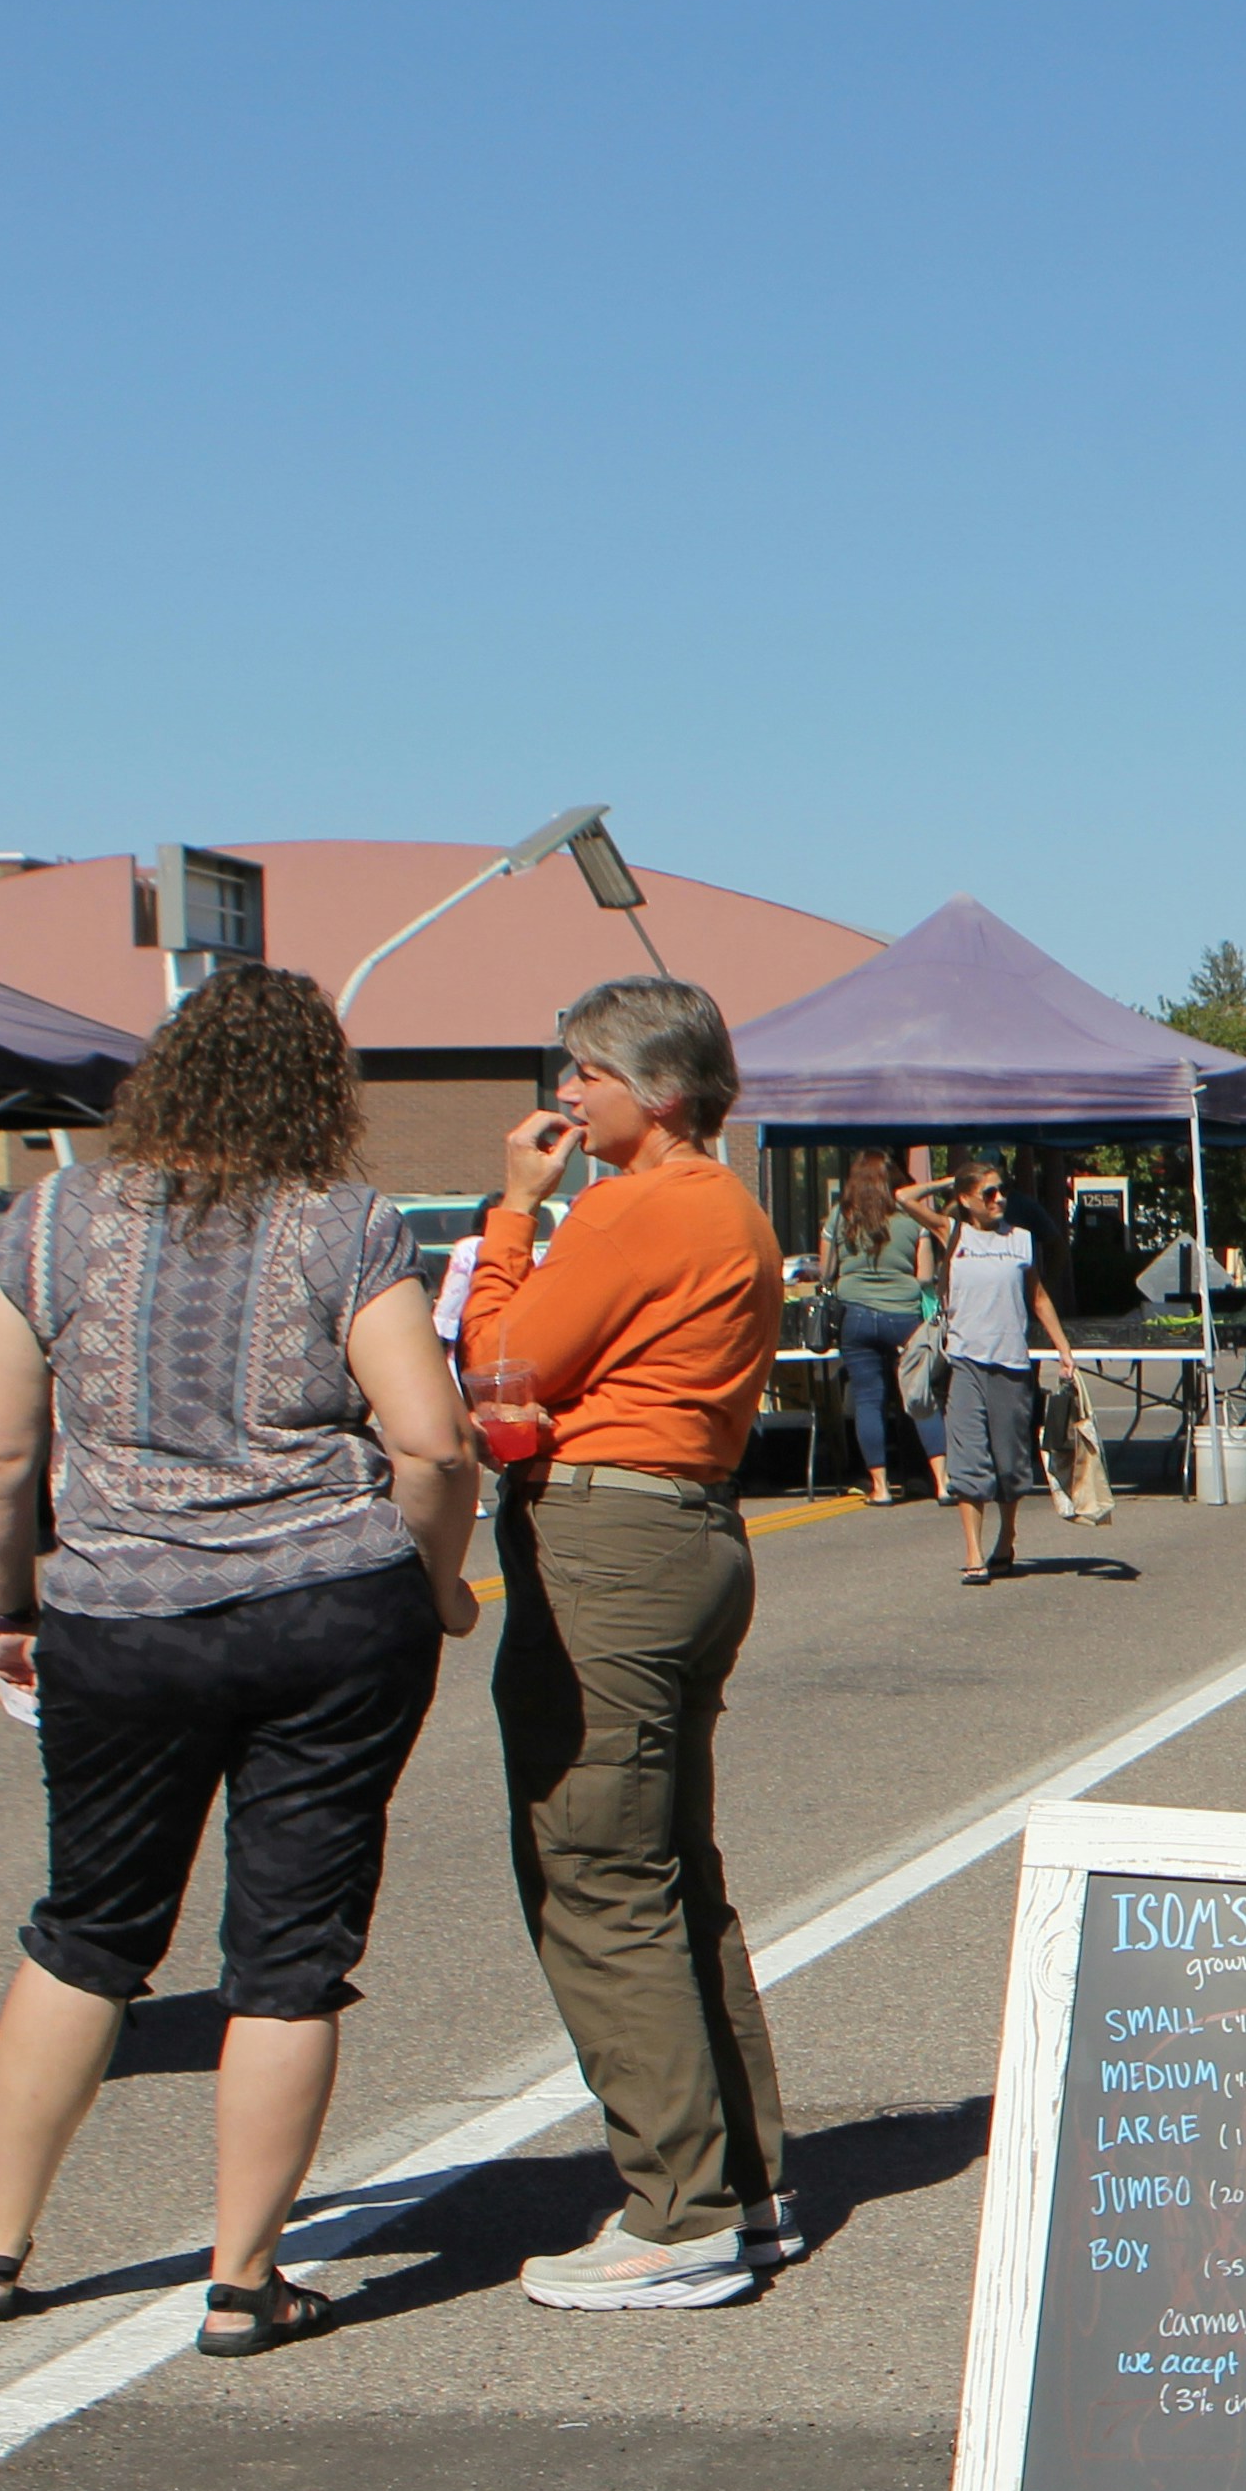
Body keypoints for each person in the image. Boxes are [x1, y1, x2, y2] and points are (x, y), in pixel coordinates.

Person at [0, 969, 485, 2353]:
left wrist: (8, 1606)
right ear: (317, 1090)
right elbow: (431, 1442)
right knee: (288, 1950)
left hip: (118, 1618)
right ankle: (246, 2280)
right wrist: (435, 1583)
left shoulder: (51, 1219)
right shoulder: (346, 1227)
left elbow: (0, 1452)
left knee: (86, 1931)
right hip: (323, 1611)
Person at [466, 979, 799, 2311]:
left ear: (659, 1091)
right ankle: (743, 2179)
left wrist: (509, 1219)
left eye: (586, 1073)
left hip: (611, 1538)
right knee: (669, 1859)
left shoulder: (637, 1205)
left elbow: (503, 1362)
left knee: (595, 1866)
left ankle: (677, 2210)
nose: (566, 1095)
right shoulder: (729, 1208)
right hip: (694, 1529)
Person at [903, 1158, 1075, 1585]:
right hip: (964, 1362)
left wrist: (1062, 1348)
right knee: (967, 1458)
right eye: (988, 1193)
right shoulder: (952, 1231)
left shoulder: (1021, 1240)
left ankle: (1007, 1536)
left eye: (1003, 1191)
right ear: (965, 1200)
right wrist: (947, 1182)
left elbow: (1037, 1298)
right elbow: (903, 1197)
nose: (999, 1199)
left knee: (1010, 1461)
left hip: (1012, 1363)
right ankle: (973, 1552)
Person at [816, 1146, 941, 1505]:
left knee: (868, 1400)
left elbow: (825, 1273)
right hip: (904, 1316)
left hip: (855, 1315)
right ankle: (942, 1481)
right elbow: (925, 1277)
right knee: (919, 1396)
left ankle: (881, 1487)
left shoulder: (840, 1216)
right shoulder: (911, 1219)